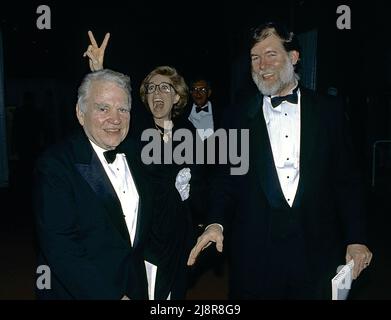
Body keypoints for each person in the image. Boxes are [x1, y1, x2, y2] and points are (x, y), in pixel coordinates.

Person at [187, 21, 373, 299]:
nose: (262, 64)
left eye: (271, 54)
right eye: (255, 57)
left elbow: (346, 180)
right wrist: (215, 222)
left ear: (293, 57)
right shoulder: (236, 117)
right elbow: (225, 179)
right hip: (255, 257)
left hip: (316, 252)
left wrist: (357, 238)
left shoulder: (329, 112)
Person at [83, 32, 195, 299]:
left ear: (177, 97)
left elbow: (199, 182)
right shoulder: (136, 130)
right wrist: (99, 72)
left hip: (178, 238)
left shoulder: (188, 132)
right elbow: (108, 113)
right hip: (148, 240)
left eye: (165, 87)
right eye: (152, 88)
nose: (157, 92)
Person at [34, 69, 155, 299]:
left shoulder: (138, 155)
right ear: (81, 114)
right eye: (103, 108)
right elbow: (61, 249)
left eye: (123, 109)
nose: (115, 119)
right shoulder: (55, 166)